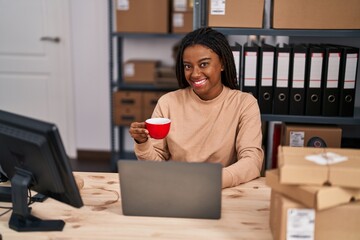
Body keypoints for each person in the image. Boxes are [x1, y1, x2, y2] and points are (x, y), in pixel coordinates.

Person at [129, 27, 264, 189]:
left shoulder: (245, 103)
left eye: (204, 64)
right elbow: (156, 164)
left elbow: (252, 161)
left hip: (221, 189)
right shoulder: (168, 102)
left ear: (222, 63)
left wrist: (210, 181)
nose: (194, 74)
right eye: (188, 66)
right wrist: (142, 142)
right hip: (175, 188)